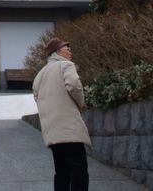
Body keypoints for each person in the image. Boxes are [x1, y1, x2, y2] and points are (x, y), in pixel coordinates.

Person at [33, 38, 91, 191]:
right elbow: (73, 85)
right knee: (79, 167)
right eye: (67, 49)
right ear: (58, 52)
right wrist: (81, 103)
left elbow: (36, 97)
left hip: (52, 130)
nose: (70, 52)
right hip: (68, 127)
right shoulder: (66, 65)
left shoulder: (40, 74)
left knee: (61, 172)